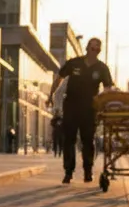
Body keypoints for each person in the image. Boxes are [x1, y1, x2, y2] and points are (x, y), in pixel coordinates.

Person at [47, 37, 115, 183]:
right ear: (87, 48)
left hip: (90, 108)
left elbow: (108, 88)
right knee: (69, 140)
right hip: (71, 106)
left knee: (88, 140)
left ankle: (88, 171)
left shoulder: (102, 68)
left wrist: (102, 102)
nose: (94, 50)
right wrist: (51, 94)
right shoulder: (74, 63)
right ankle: (68, 172)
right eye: (92, 47)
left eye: (97, 48)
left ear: (99, 51)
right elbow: (59, 78)